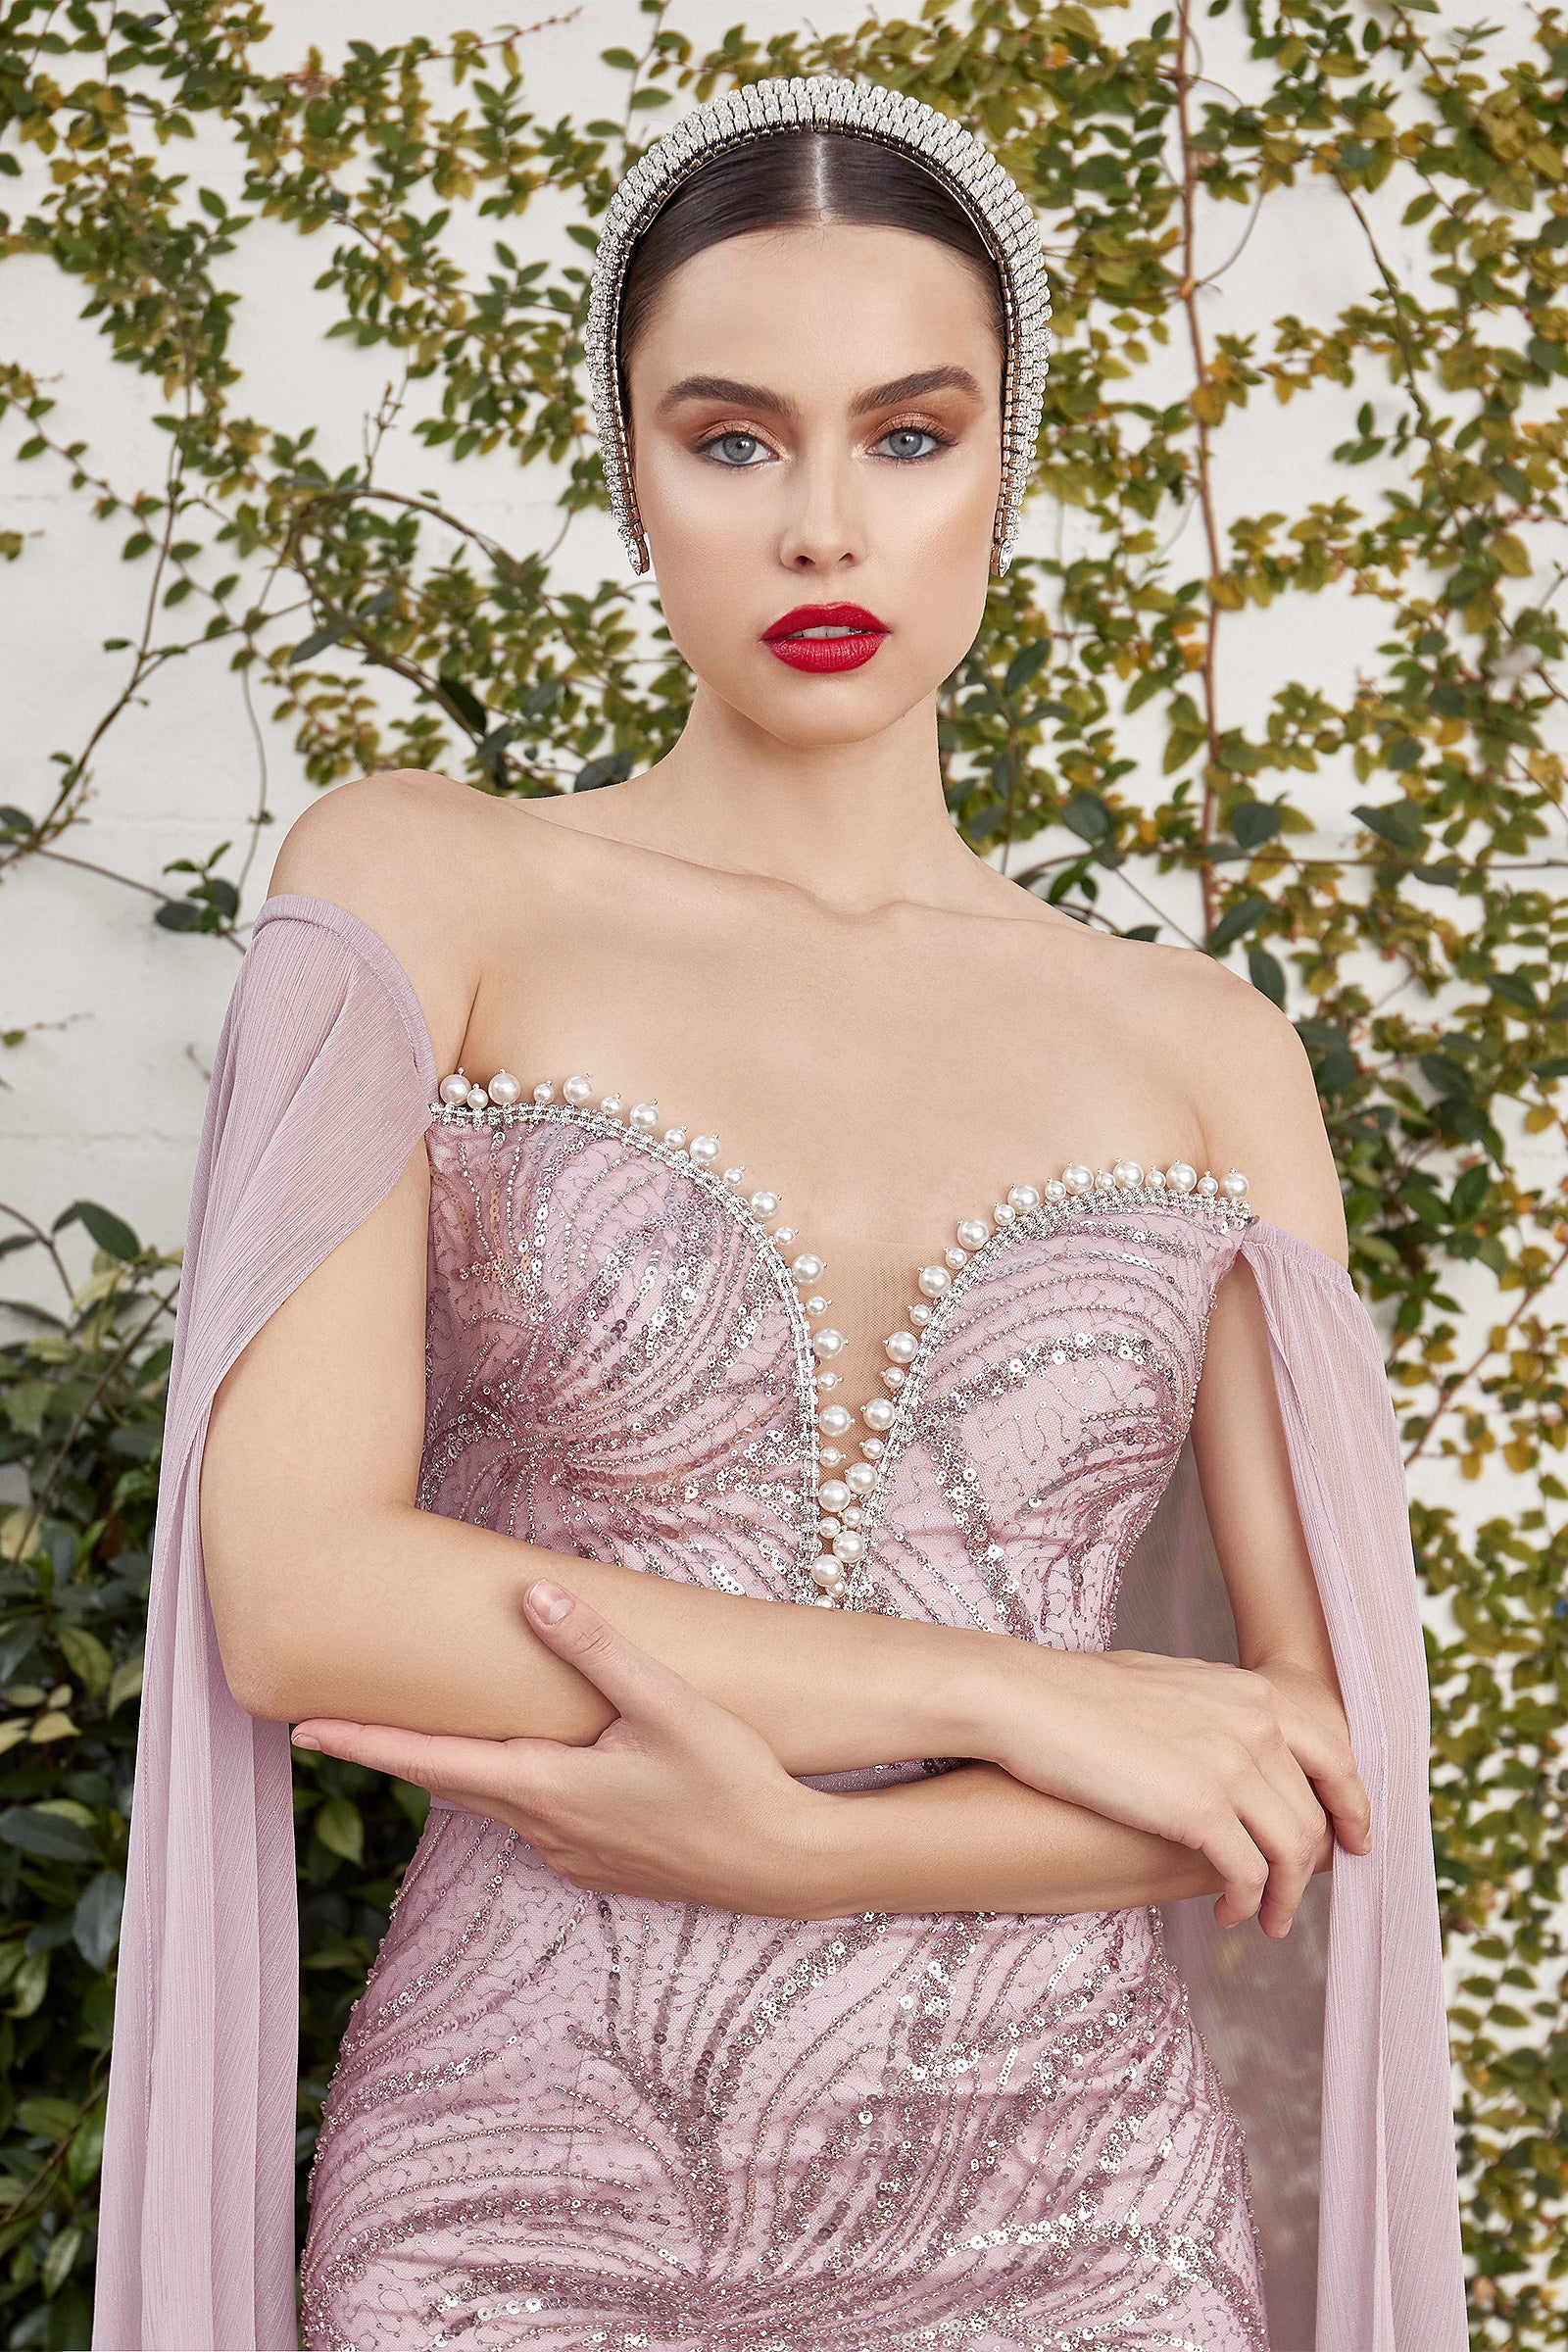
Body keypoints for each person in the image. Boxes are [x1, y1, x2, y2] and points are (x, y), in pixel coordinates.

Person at [94, 76, 1465, 2352]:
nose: (823, 525)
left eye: (907, 436)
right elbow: (301, 1595)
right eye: (729, 439)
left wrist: (818, 1846)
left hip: (1080, 2221)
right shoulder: (422, 883)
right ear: (627, 465)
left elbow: (1299, 1766)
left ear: (1009, 463)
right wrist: (1017, 1695)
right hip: (522, 2188)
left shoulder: (1204, 1047)